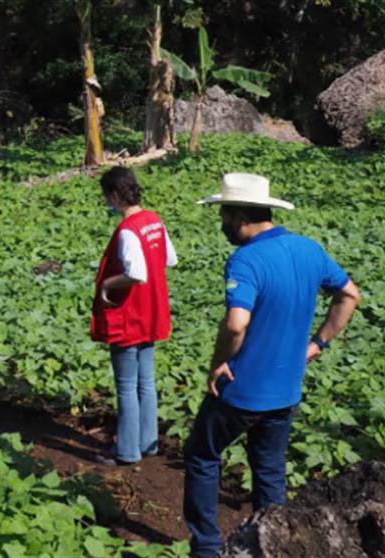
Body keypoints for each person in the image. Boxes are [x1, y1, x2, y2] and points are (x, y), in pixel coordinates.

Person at [184, 173, 361, 557]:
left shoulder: (245, 259)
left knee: (202, 455)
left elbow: (236, 323)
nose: (222, 224)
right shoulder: (309, 250)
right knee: (269, 470)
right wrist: (318, 344)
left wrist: (219, 363)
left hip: (241, 389)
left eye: (224, 215)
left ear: (238, 215)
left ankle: (206, 548)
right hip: (286, 389)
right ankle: (273, 545)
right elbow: (349, 295)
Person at [91, 166, 178, 465]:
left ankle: (127, 451)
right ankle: (148, 443)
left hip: (129, 315)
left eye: (106, 196)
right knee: (146, 381)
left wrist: (107, 283)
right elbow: (170, 259)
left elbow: (136, 274)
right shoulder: (154, 220)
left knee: (127, 386)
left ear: (115, 196)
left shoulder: (127, 230)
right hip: (152, 311)